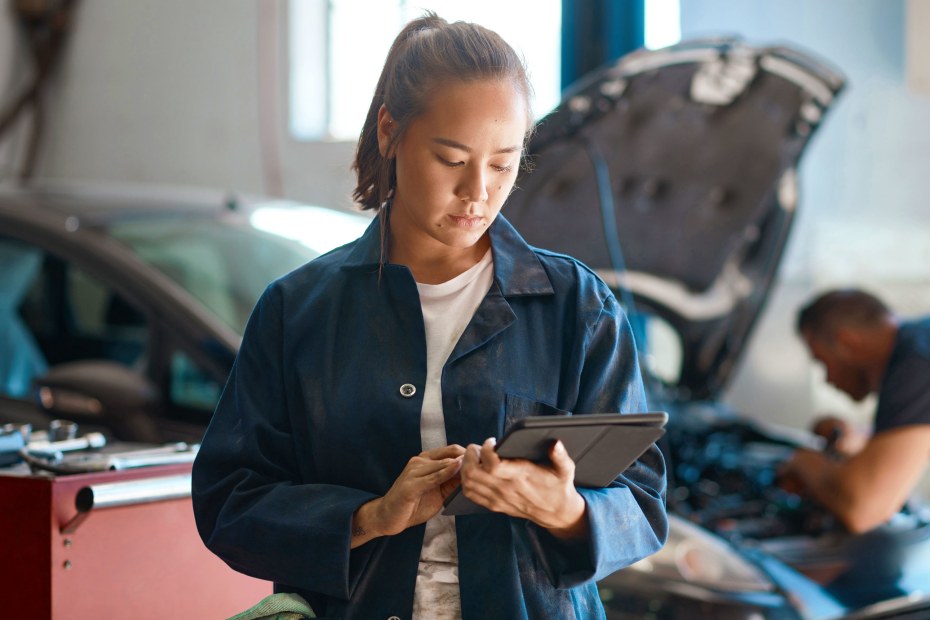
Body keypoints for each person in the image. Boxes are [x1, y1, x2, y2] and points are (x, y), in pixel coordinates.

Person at [191, 13, 666, 620]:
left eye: (502, 163)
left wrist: (563, 509)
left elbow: (644, 501)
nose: (478, 192)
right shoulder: (299, 310)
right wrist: (368, 517)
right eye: (451, 159)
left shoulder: (577, 305)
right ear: (391, 131)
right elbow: (229, 501)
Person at [779, 288, 930, 534]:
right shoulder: (920, 342)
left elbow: (865, 509)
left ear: (847, 342)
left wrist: (804, 462)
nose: (827, 379)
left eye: (822, 361)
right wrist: (857, 440)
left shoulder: (917, 364)